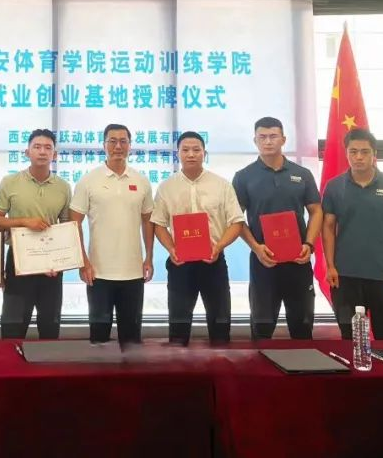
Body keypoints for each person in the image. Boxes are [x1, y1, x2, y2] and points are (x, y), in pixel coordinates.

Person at [233, 117, 323, 340]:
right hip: (264, 261)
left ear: (283, 139)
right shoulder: (243, 177)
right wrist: (256, 248)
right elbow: (236, 219)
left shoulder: (302, 174)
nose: (268, 141)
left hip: (298, 260)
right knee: (262, 329)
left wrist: (309, 244)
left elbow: (316, 211)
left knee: (302, 328)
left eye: (273, 136)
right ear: (255, 141)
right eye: (262, 137)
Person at [152, 131, 245, 345]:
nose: (191, 154)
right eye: (185, 150)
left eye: (196, 150)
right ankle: (178, 363)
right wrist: (171, 249)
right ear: (178, 154)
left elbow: (236, 222)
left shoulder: (221, 185)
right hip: (180, 263)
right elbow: (159, 224)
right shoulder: (166, 187)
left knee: (220, 323)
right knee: (178, 326)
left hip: (213, 261)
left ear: (204, 153)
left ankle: (221, 363)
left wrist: (219, 246)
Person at [322, 128, 383, 341]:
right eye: (353, 152)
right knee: (351, 338)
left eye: (365, 152)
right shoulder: (334, 187)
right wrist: (330, 265)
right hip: (345, 276)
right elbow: (328, 227)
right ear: (346, 153)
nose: (359, 157)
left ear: (374, 154)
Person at [69, 123, 154, 346]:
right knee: (99, 338)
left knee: (131, 338)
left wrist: (149, 257)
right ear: (104, 145)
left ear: (130, 146)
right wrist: (83, 262)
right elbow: (74, 223)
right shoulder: (89, 180)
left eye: (123, 141)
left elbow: (148, 221)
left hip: (133, 273)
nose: (118, 146)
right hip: (98, 273)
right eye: (113, 141)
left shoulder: (141, 181)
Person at [0, 129, 72, 339]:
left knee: (50, 325)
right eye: (37, 147)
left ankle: (48, 361)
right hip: (19, 262)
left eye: (48, 148)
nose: (42, 152)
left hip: (51, 266)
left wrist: (61, 261)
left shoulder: (63, 187)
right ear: (27, 152)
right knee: (13, 326)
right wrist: (25, 222)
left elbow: (66, 227)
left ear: (55, 154)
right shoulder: (10, 182)